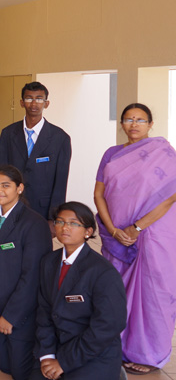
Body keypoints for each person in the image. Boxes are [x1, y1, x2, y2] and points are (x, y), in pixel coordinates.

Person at [93, 103, 176, 376]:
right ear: (121, 124)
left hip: (153, 235)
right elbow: (99, 194)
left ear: (151, 124)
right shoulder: (112, 153)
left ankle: (149, 354)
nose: (134, 124)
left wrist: (136, 228)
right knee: (114, 291)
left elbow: (169, 198)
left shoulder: (165, 154)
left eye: (140, 120)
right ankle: (115, 348)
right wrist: (113, 229)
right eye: (128, 119)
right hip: (116, 235)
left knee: (152, 294)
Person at [31, 202, 126, 380]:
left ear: (88, 232)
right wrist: (47, 355)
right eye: (60, 222)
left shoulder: (103, 271)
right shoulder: (48, 262)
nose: (65, 227)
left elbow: (108, 325)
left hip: (92, 353)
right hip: (58, 347)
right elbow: (44, 311)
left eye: (73, 223)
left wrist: (63, 362)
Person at [0, 165, 52, 380]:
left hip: (21, 315)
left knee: (20, 372)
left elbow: (32, 276)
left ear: (19, 188)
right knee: (4, 366)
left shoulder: (34, 223)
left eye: (5, 186)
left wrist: (10, 317)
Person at [0, 81, 72, 223]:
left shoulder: (60, 138)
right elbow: (1, 175)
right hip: (12, 205)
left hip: (43, 210)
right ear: (21, 103)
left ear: (46, 103)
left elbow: (60, 183)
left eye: (39, 99)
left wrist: (54, 218)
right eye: (29, 98)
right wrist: (0, 209)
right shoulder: (8, 133)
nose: (33, 103)